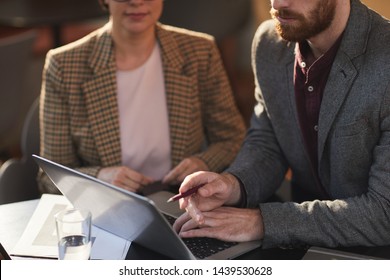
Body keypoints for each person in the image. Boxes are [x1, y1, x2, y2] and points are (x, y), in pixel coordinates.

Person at [173, 0, 390, 249]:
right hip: (298, 244)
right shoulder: (269, 43)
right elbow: (268, 142)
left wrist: (262, 222)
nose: (278, 3)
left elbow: (385, 214)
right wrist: (232, 184)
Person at [38, 0, 245, 194]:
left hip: (180, 201)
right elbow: (50, 177)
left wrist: (204, 162)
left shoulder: (201, 52)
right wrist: (100, 177)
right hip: (108, 204)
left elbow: (232, 139)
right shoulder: (64, 66)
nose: (136, 1)